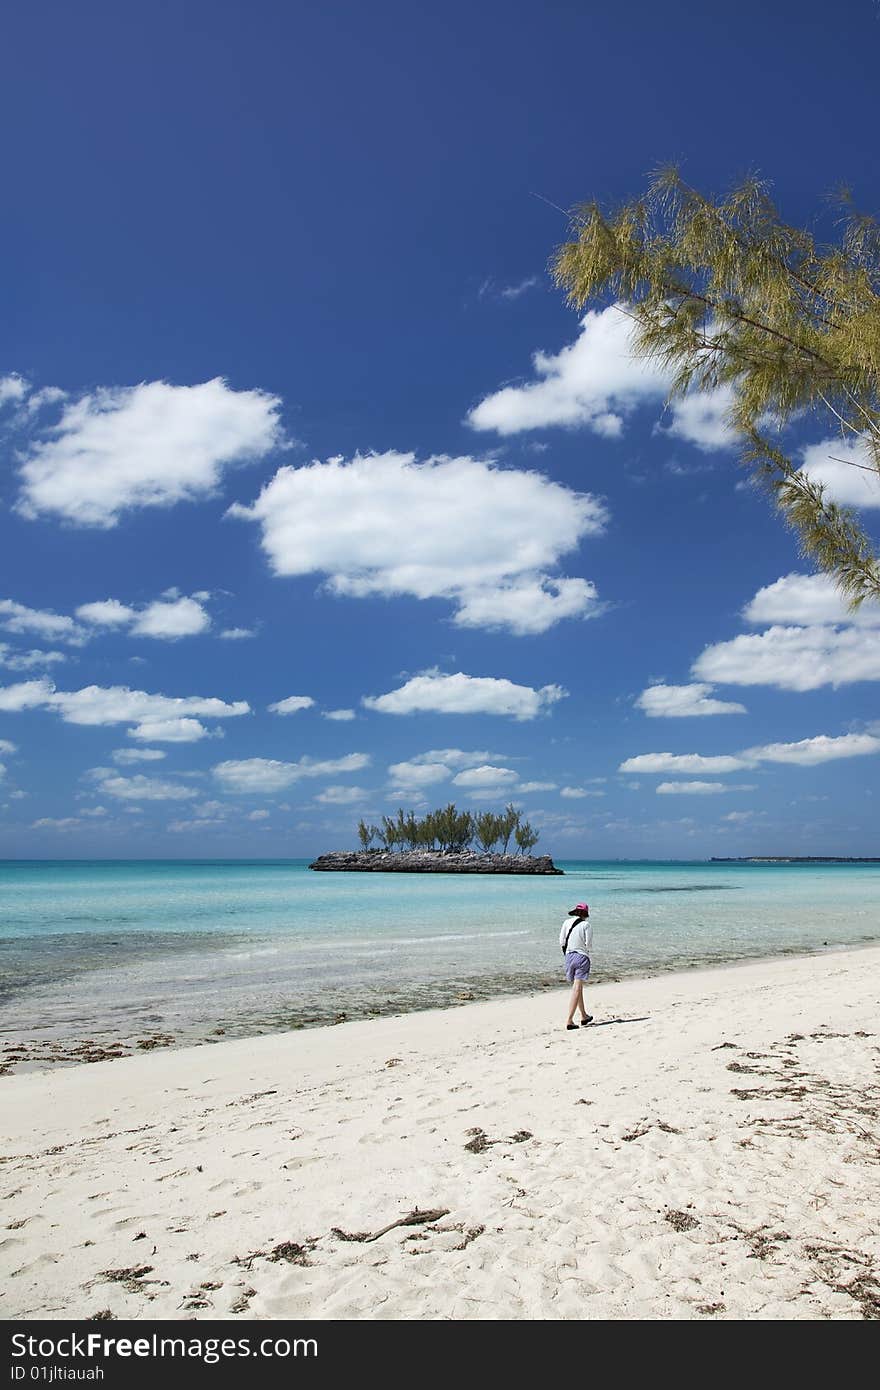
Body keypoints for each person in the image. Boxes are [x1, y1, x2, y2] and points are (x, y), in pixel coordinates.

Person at [560, 902, 593, 1031]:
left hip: (568, 957)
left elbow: (561, 941)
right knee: (577, 989)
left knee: (577, 988)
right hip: (581, 957)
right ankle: (569, 1020)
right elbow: (588, 944)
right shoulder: (586, 925)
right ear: (585, 914)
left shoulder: (566, 923)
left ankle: (584, 1016)